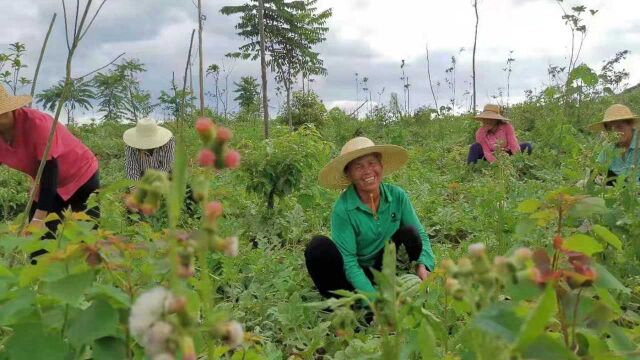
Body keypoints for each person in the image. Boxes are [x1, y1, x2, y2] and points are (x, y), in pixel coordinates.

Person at [305, 137, 435, 299]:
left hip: (385, 266)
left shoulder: (397, 196)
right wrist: (376, 302)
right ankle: (353, 303)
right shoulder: (343, 209)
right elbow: (350, 263)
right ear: (349, 174)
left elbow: (421, 235)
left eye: (372, 163)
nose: (367, 171)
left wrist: (423, 264)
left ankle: (392, 283)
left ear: (381, 165)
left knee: (410, 233)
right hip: (356, 271)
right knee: (317, 247)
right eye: (358, 166)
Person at [0, 86, 99, 239]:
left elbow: (49, 171)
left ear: (11, 110)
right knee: (38, 243)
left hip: (81, 176)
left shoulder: (37, 124)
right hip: (46, 184)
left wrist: (39, 218)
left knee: (86, 238)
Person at [589, 104, 640, 185]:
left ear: (630, 125)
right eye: (610, 129)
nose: (615, 132)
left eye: (619, 126)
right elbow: (596, 169)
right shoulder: (608, 149)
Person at [467, 104, 532, 164]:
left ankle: (522, 163)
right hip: (491, 154)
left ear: (496, 120)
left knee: (527, 145)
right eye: (485, 118)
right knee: (474, 147)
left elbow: (513, 144)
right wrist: (497, 164)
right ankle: (471, 169)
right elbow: (486, 151)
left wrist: (517, 160)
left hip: (507, 153)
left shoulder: (507, 127)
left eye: (491, 118)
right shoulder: (480, 132)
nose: (487, 121)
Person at [123, 117, 175, 182]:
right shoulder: (131, 146)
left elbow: (166, 165)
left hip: (163, 173)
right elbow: (131, 170)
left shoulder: (168, 141)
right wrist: (136, 188)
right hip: (143, 175)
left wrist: (155, 184)